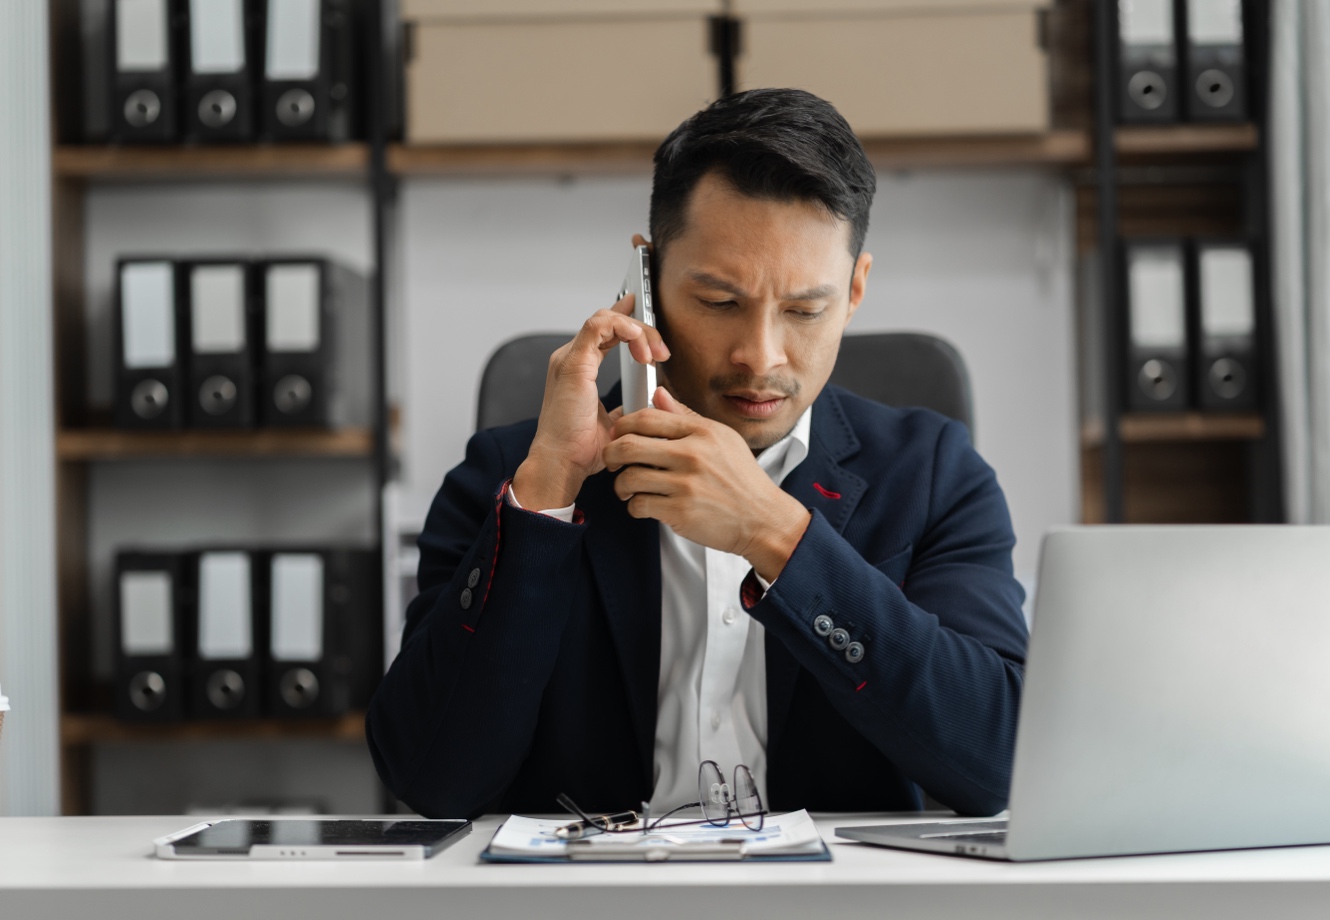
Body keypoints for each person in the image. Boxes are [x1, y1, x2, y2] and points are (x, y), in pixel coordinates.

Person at [366, 88, 1027, 820]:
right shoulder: (511, 475)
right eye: (719, 302)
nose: (760, 357)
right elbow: (429, 777)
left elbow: (1000, 760)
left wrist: (776, 535)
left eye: (805, 310)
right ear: (646, 282)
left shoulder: (935, 474)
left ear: (855, 291)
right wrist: (546, 499)